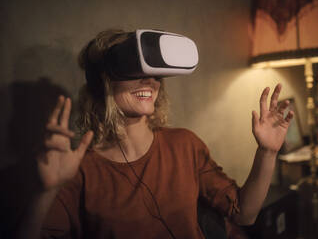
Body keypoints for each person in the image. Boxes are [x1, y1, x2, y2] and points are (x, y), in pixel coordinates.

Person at [15, 29, 293, 239]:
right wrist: (46, 192)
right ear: (102, 84)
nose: (149, 80)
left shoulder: (185, 144)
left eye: (154, 72)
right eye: (134, 70)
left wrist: (267, 152)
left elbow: (244, 214)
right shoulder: (77, 171)